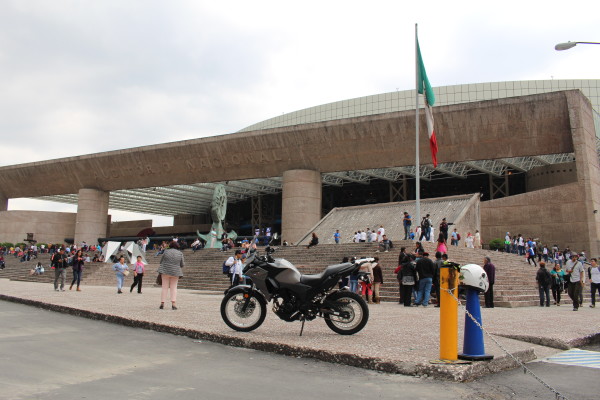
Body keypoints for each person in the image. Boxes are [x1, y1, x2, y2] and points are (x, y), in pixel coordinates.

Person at [157, 241, 184, 310]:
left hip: (165, 271)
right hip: (175, 272)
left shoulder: (166, 252)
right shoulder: (180, 253)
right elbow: (182, 264)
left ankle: (162, 303)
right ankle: (173, 304)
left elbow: (161, 261)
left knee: (164, 287)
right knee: (174, 288)